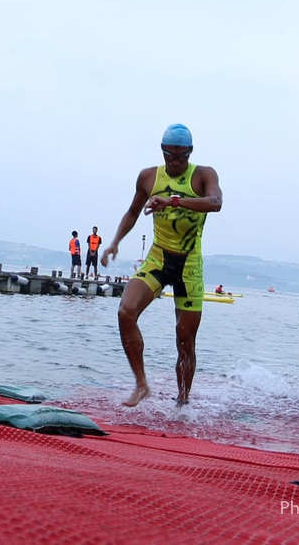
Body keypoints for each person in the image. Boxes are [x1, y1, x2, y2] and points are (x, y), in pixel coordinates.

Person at [101, 123, 223, 407]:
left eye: (181, 157)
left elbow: (216, 202)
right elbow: (133, 212)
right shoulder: (148, 177)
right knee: (126, 311)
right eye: (170, 156)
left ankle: (183, 400)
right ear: (162, 151)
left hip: (189, 265)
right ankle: (142, 385)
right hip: (158, 258)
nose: (175, 162)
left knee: (185, 339)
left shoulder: (204, 175)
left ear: (190, 153)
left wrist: (173, 201)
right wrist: (115, 242)